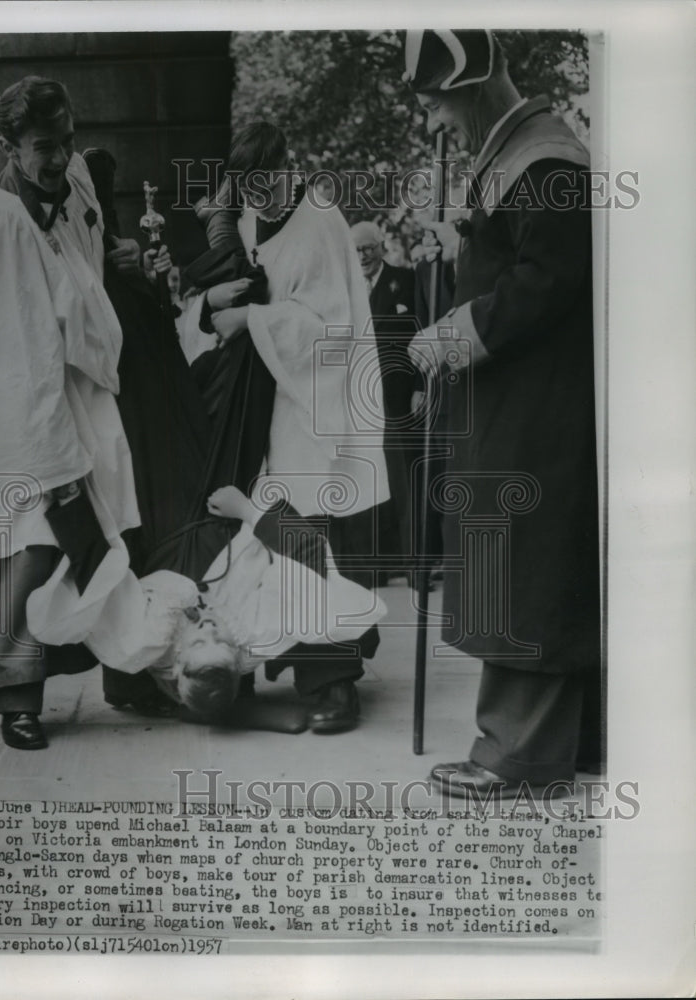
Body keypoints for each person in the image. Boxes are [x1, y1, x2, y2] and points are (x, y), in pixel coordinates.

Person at [402, 30, 602, 795]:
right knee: (519, 558)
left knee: (523, 564)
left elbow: (547, 280)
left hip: (536, 407)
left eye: (438, 103)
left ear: (477, 87)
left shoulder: (546, 160)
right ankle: (565, 743)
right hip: (518, 399)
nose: (435, 122)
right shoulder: (520, 154)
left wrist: (451, 335)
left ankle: (517, 756)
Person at [0, 77, 144, 750]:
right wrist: (52, 458)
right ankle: (16, 699)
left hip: (85, 386)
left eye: (66, 141)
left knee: (115, 531)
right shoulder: (3, 221)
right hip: (22, 404)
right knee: (32, 543)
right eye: (43, 147)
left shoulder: (78, 178)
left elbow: (88, 265)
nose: (59, 158)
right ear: (8, 147)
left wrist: (124, 253)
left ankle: (130, 669)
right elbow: (9, 353)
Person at [201, 122, 391, 733]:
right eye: (249, 190)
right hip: (269, 400)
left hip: (316, 400)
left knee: (308, 536)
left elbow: (331, 327)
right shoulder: (251, 220)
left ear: (289, 165)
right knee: (262, 534)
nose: (260, 199)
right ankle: (253, 659)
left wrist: (252, 320)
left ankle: (332, 682)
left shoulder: (320, 220)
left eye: (268, 184)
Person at [25, 485, 385, 728]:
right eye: (222, 641)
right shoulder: (257, 631)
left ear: (177, 663)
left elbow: (96, 571)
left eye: (199, 642)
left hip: (160, 537)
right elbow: (308, 555)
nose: (209, 628)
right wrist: (248, 510)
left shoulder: (139, 639)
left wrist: (69, 501)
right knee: (325, 599)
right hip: (230, 522)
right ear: (240, 655)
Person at [350, 220, 421, 583]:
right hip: (359, 403)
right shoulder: (345, 288)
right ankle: (377, 566)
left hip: (397, 398)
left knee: (404, 480)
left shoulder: (406, 280)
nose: (362, 255)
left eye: (368, 248)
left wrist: (420, 385)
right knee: (369, 480)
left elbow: (422, 333)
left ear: (381, 246)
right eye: (356, 250)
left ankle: (414, 565)